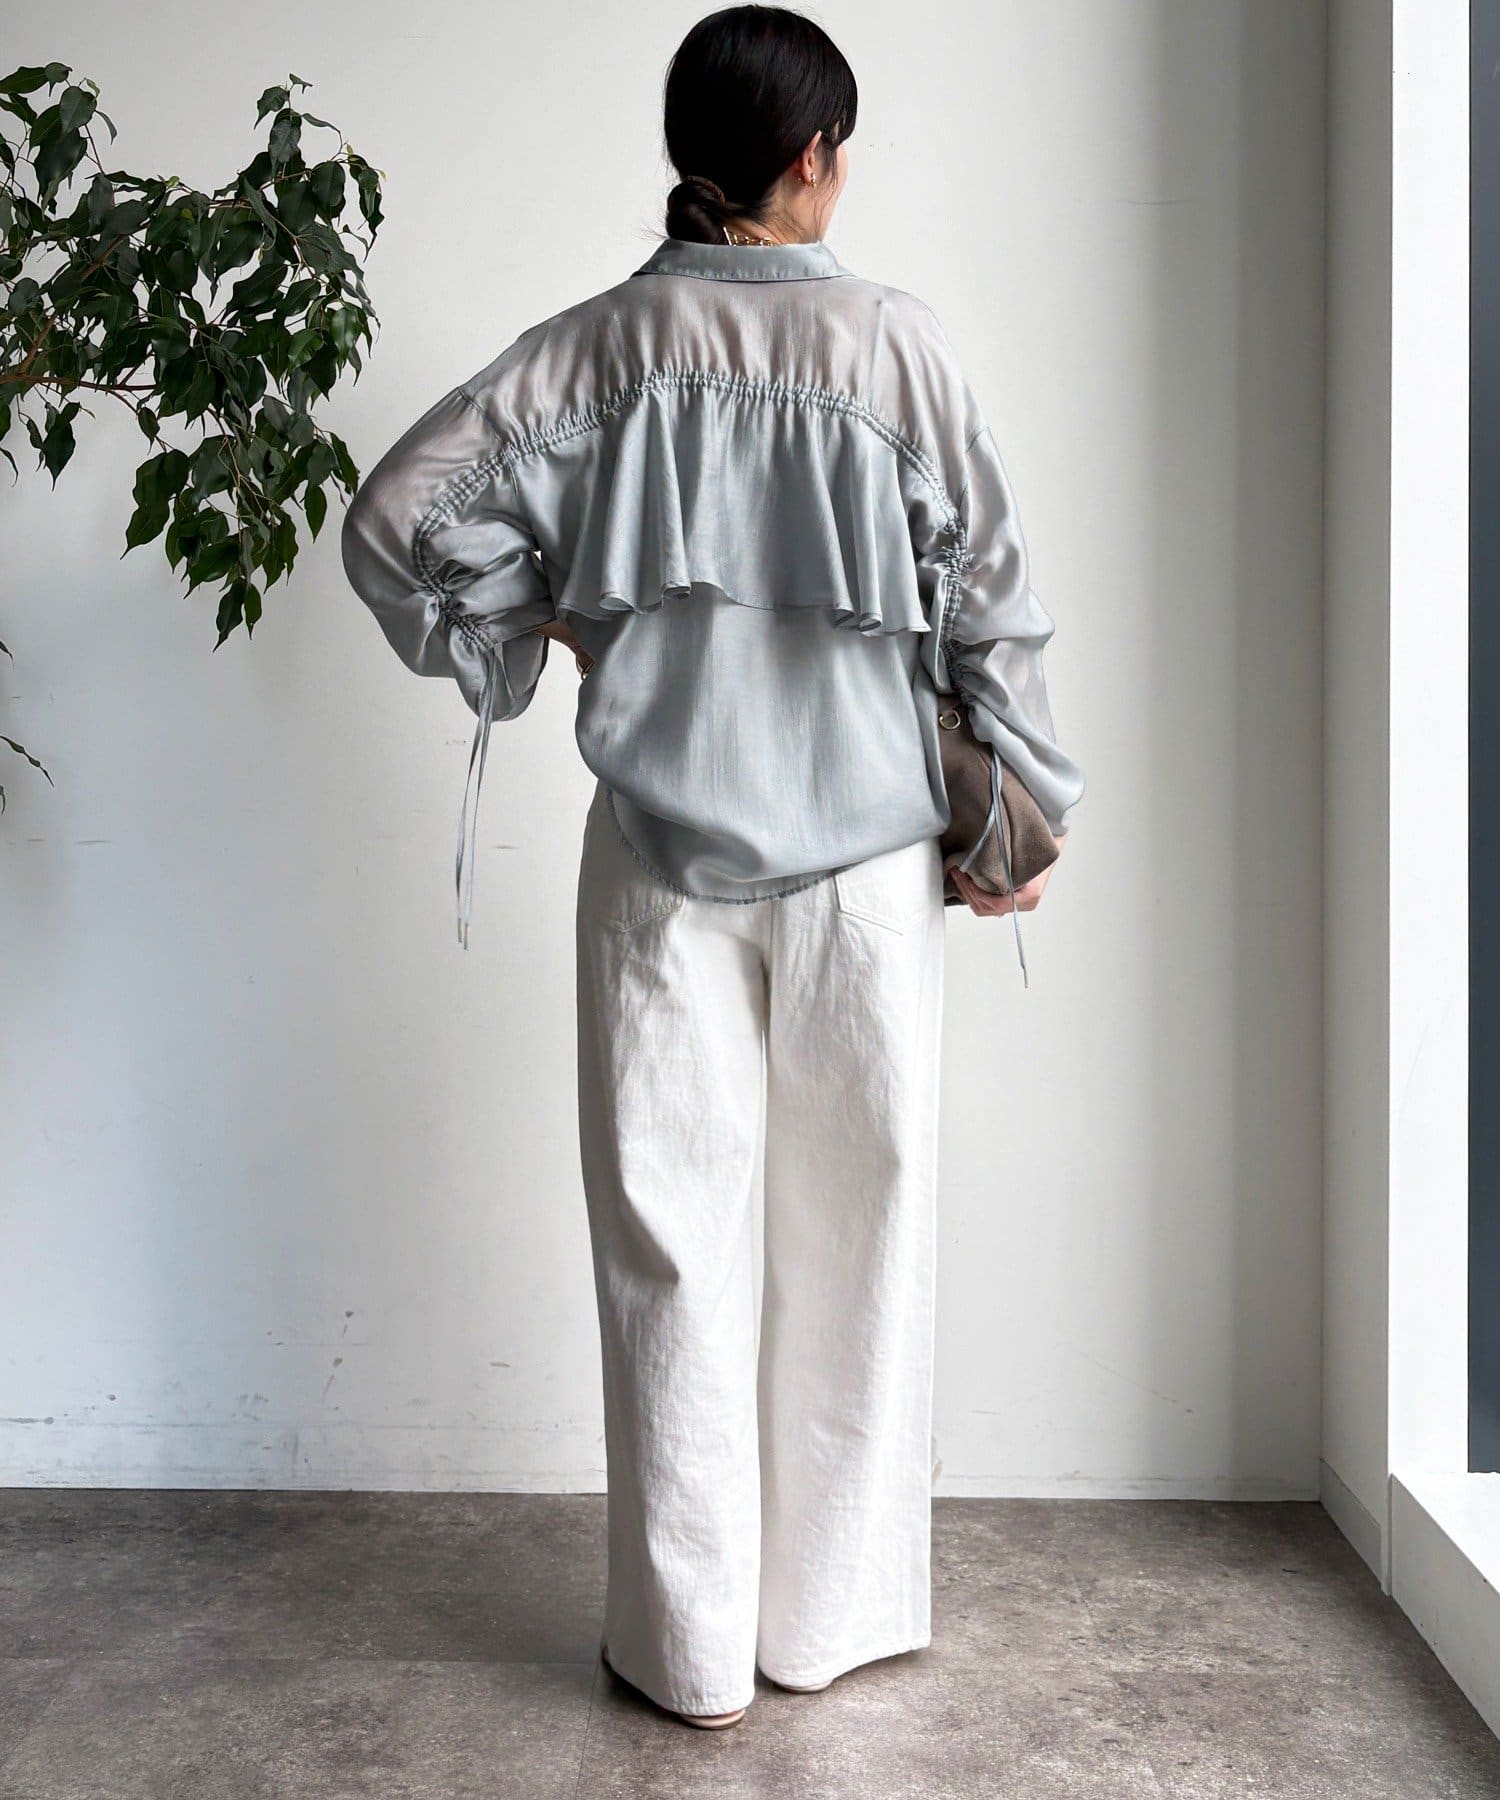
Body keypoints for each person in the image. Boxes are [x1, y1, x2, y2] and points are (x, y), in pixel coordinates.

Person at [340, 2, 1085, 1733]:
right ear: (813, 158)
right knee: (863, 1246)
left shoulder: (595, 351)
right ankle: (822, 1625)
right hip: (866, 880)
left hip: (659, 871)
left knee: (670, 1255)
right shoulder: (896, 348)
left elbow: (393, 523)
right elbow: (995, 606)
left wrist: (547, 618)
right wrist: (1021, 816)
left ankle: (683, 1654)